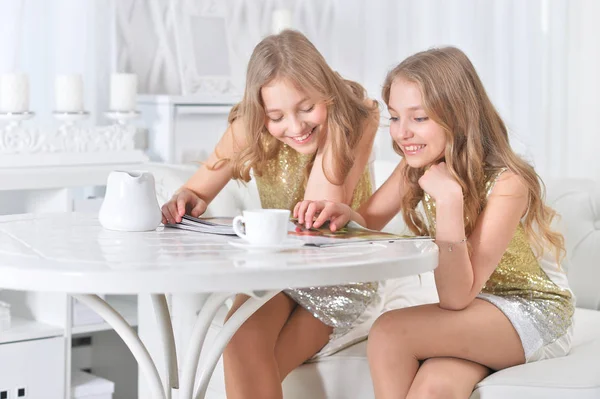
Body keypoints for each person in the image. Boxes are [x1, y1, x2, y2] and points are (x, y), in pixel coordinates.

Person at [296, 47, 574, 398]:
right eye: (395, 117)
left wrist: (448, 200)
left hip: (530, 309)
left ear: (458, 116)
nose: (402, 133)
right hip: (477, 311)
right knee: (435, 389)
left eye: (419, 118)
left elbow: (456, 297)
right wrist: (346, 216)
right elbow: (367, 220)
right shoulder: (415, 164)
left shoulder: (508, 182)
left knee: (391, 331)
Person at [162, 29, 405, 399]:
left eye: (307, 108)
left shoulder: (358, 116)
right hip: (278, 268)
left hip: (336, 275)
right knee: (240, 340)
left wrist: (332, 122)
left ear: (326, 90)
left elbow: (316, 213)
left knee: (263, 364)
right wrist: (185, 198)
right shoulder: (251, 125)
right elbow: (197, 188)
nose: (294, 127)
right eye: (276, 116)